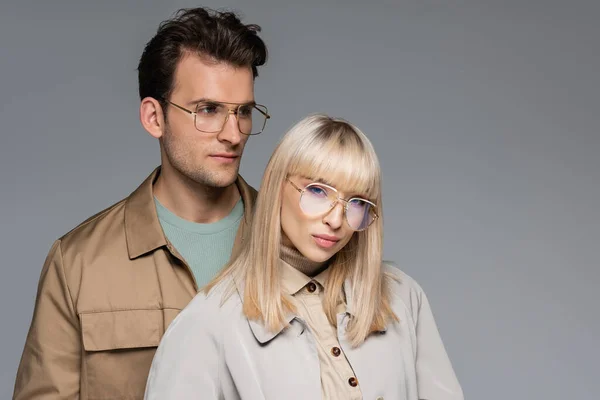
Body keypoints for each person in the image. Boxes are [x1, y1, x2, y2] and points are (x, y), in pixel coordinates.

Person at [13, 7, 269, 399]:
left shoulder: (291, 244)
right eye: (209, 110)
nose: (233, 134)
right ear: (154, 117)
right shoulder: (79, 263)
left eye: (244, 112)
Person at [144, 114, 464, 400]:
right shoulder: (209, 322)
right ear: (277, 186)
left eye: (356, 203)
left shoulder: (403, 298)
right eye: (318, 191)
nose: (336, 220)